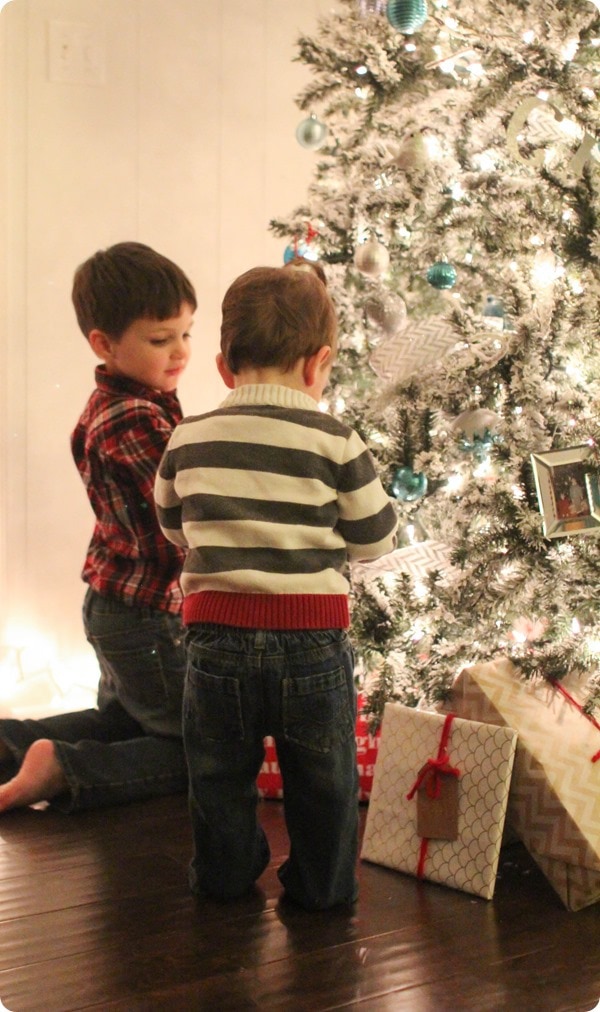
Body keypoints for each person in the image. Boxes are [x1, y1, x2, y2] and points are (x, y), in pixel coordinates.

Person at [154, 264, 397, 910]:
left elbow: (173, 525)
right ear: (319, 364)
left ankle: (226, 876)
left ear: (225, 365)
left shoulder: (188, 438)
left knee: (216, 775)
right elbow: (376, 539)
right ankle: (323, 887)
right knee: (323, 780)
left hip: (215, 646)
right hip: (312, 645)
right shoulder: (336, 441)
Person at [0, 241, 197, 813]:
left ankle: (12, 744)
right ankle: (66, 769)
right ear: (104, 345)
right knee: (199, 748)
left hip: (120, 607)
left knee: (121, 720)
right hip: (147, 616)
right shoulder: (133, 418)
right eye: (161, 339)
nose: (180, 350)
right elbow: (182, 515)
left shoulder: (126, 401)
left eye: (186, 332)